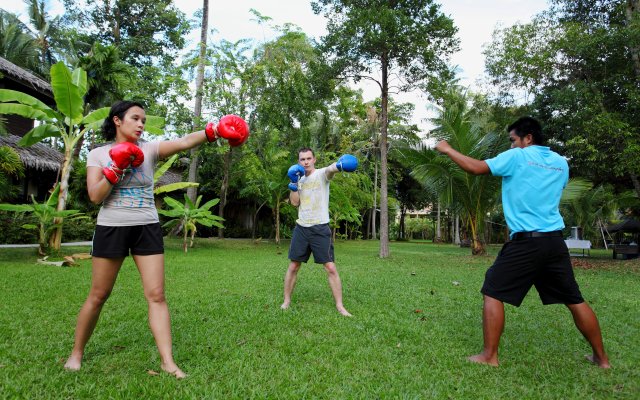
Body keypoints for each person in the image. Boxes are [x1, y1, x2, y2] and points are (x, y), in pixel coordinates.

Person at [64, 100, 249, 378]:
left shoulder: (149, 150)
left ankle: (167, 361)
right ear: (117, 120)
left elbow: (185, 141)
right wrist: (115, 168)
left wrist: (214, 131)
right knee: (99, 295)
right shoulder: (98, 154)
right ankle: (76, 352)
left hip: (146, 227)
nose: (141, 124)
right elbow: (94, 196)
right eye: (135, 118)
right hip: (112, 226)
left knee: (157, 295)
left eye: (143, 120)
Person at [435, 116, 610, 368]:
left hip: (527, 241)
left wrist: (448, 149)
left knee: (492, 290)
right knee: (574, 299)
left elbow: (475, 168)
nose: (511, 146)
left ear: (528, 138)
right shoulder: (561, 163)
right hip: (554, 242)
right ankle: (601, 359)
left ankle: (489, 356)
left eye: (513, 140)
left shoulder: (518, 156)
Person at [280, 148, 358, 317]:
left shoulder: (322, 174)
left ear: (314, 159)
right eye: (302, 159)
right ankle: (286, 301)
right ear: (299, 161)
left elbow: (330, 170)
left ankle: (340, 305)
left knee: (330, 267)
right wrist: (294, 185)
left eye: (309, 158)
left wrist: (339, 165)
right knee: (294, 266)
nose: (306, 162)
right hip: (302, 227)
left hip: (320, 228)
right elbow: (294, 203)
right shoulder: (298, 179)